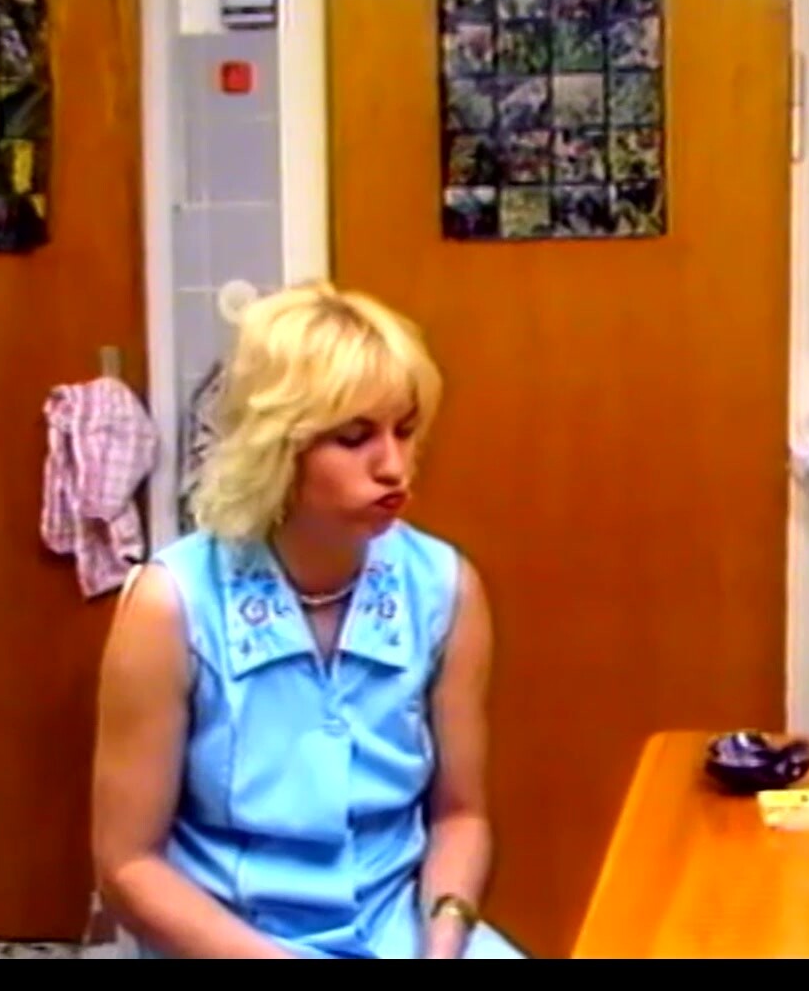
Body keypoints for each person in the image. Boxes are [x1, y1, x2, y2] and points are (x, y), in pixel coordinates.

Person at [90, 281, 526, 959]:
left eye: (405, 431)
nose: (394, 466)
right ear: (278, 448)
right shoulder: (170, 604)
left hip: (398, 928)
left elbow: (460, 815)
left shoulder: (445, 588)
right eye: (354, 438)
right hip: (231, 941)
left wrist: (443, 938)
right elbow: (127, 866)